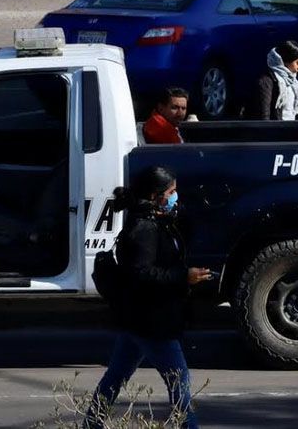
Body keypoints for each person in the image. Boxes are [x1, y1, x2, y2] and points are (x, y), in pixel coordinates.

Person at [83, 166, 211, 428]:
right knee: (179, 382)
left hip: (137, 319)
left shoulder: (157, 220)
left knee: (116, 376)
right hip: (153, 322)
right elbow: (142, 274)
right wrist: (183, 276)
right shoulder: (144, 228)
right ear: (156, 196)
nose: (175, 197)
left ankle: (91, 424)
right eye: (171, 192)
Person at [245, 40, 298, 120]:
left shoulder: (292, 81)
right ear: (285, 61)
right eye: (297, 62)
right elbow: (264, 116)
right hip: (277, 127)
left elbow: (295, 112)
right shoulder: (267, 81)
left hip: (291, 127)